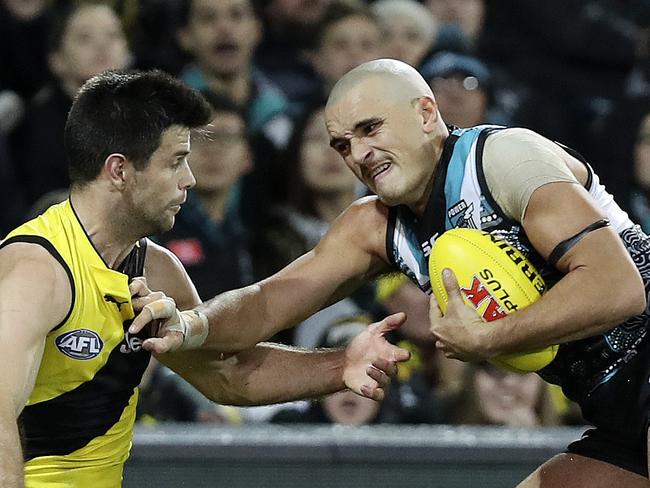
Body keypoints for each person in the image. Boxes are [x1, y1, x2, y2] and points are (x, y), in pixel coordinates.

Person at [133, 58, 650, 487]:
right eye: (342, 145)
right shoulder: (372, 226)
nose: (358, 154)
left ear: (427, 113)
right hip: (615, 411)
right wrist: (190, 324)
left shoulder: (504, 158)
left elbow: (619, 287)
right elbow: (266, 302)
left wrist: (491, 336)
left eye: (370, 129)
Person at [0, 68, 410, 486]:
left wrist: (342, 364)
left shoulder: (156, 269)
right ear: (119, 171)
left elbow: (225, 375)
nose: (189, 179)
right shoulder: (35, 270)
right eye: (176, 161)